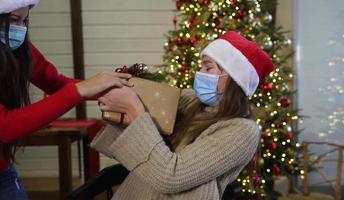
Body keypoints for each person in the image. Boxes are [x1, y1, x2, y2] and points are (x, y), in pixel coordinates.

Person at [91, 31, 274, 200]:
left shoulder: (242, 130)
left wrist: (134, 110)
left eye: (208, 68)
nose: (199, 74)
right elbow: (152, 107)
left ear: (234, 78)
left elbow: (172, 175)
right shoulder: (192, 102)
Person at [0, 0, 132, 199]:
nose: (20, 29)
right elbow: (5, 126)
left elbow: (56, 83)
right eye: (14, 20)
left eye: (25, 21)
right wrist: (79, 90)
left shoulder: (20, 49)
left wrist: (109, 86)